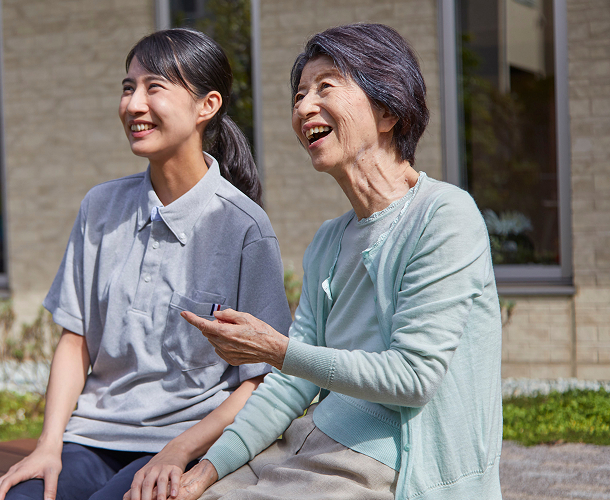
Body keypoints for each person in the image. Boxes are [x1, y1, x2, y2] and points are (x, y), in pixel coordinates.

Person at [171, 23, 504, 500]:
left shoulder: (444, 215)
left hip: (390, 465)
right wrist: (205, 471)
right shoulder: (329, 240)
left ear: (387, 110)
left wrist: (276, 349)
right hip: (317, 444)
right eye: (300, 94)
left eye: (326, 87)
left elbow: (412, 377)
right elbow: (289, 386)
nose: (304, 107)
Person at [0, 28, 293, 500]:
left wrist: (176, 451)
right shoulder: (100, 206)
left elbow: (263, 380)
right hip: (91, 439)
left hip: (188, 442)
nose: (133, 104)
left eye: (154, 87)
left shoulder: (244, 228)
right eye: (129, 87)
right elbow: (75, 340)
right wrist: (48, 446)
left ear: (206, 106)